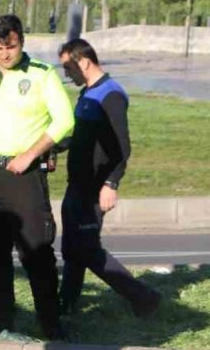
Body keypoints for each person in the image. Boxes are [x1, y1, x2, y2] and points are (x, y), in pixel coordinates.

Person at [0, 14, 74, 341]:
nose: (4, 54)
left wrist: (30, 155)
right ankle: (0, 323)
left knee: (36, 253)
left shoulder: (41, 75)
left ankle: (51, 324)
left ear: (22, 41)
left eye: (10, 47)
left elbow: (64, 121)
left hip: (24, 177)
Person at [57, 38, 161, 317]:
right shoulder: (88, 93)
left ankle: (144, 297)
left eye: (68, 67)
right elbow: (82, 136)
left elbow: (122, 147)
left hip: (95, 186)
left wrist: (111, 183)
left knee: (87, 249)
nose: (66, 73)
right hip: (77, 184)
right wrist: (58, 146)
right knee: (72, 248)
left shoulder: (111, 95)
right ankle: (66, 303)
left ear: (85, 62)